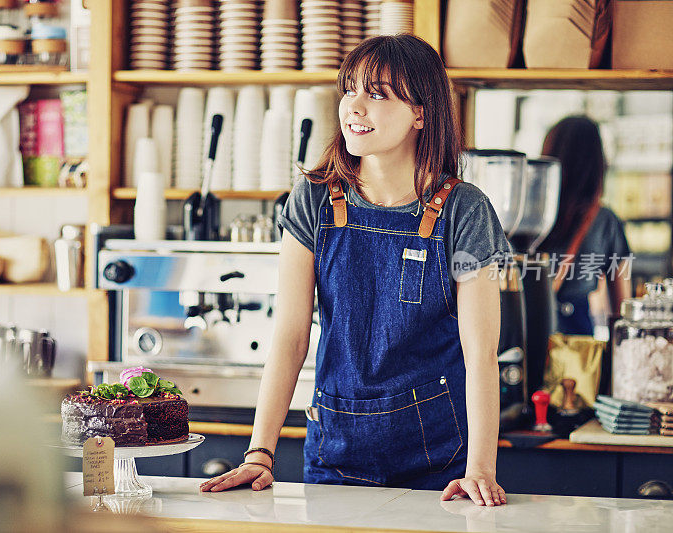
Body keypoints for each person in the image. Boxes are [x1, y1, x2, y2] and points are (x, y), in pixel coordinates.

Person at [200, 35, 511, 506]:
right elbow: (289, 336)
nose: (354, 106)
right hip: (334, 452)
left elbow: (481, 354)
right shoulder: (313, 199)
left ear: (421, 113)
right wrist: (259, 452)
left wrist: (479, 470)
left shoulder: (465, 210)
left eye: (378, 94)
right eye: (350, 89)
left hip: (440, 466)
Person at [538, 116, 632, 335]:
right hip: (577, 348)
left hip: (528, 336)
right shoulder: (605, 221)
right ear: (597, 162)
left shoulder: (532, 215)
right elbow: (622, 312)